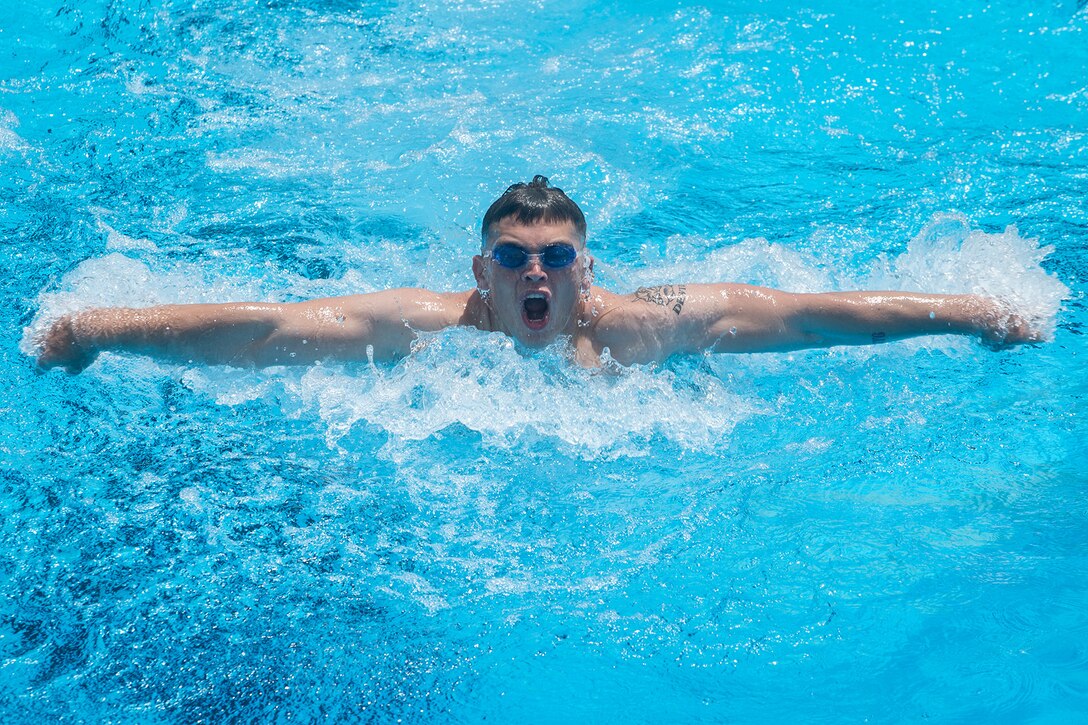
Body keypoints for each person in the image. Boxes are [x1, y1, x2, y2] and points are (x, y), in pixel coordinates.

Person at [36, 176, 1039, 374]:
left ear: (581, 269)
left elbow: (815, 313)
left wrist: (971, 313)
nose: (535, 272)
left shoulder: (646, 321)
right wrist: (98, 327)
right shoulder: (434, 324)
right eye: (513, 257)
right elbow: (264, 329)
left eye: (554, 257)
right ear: (482, 269)